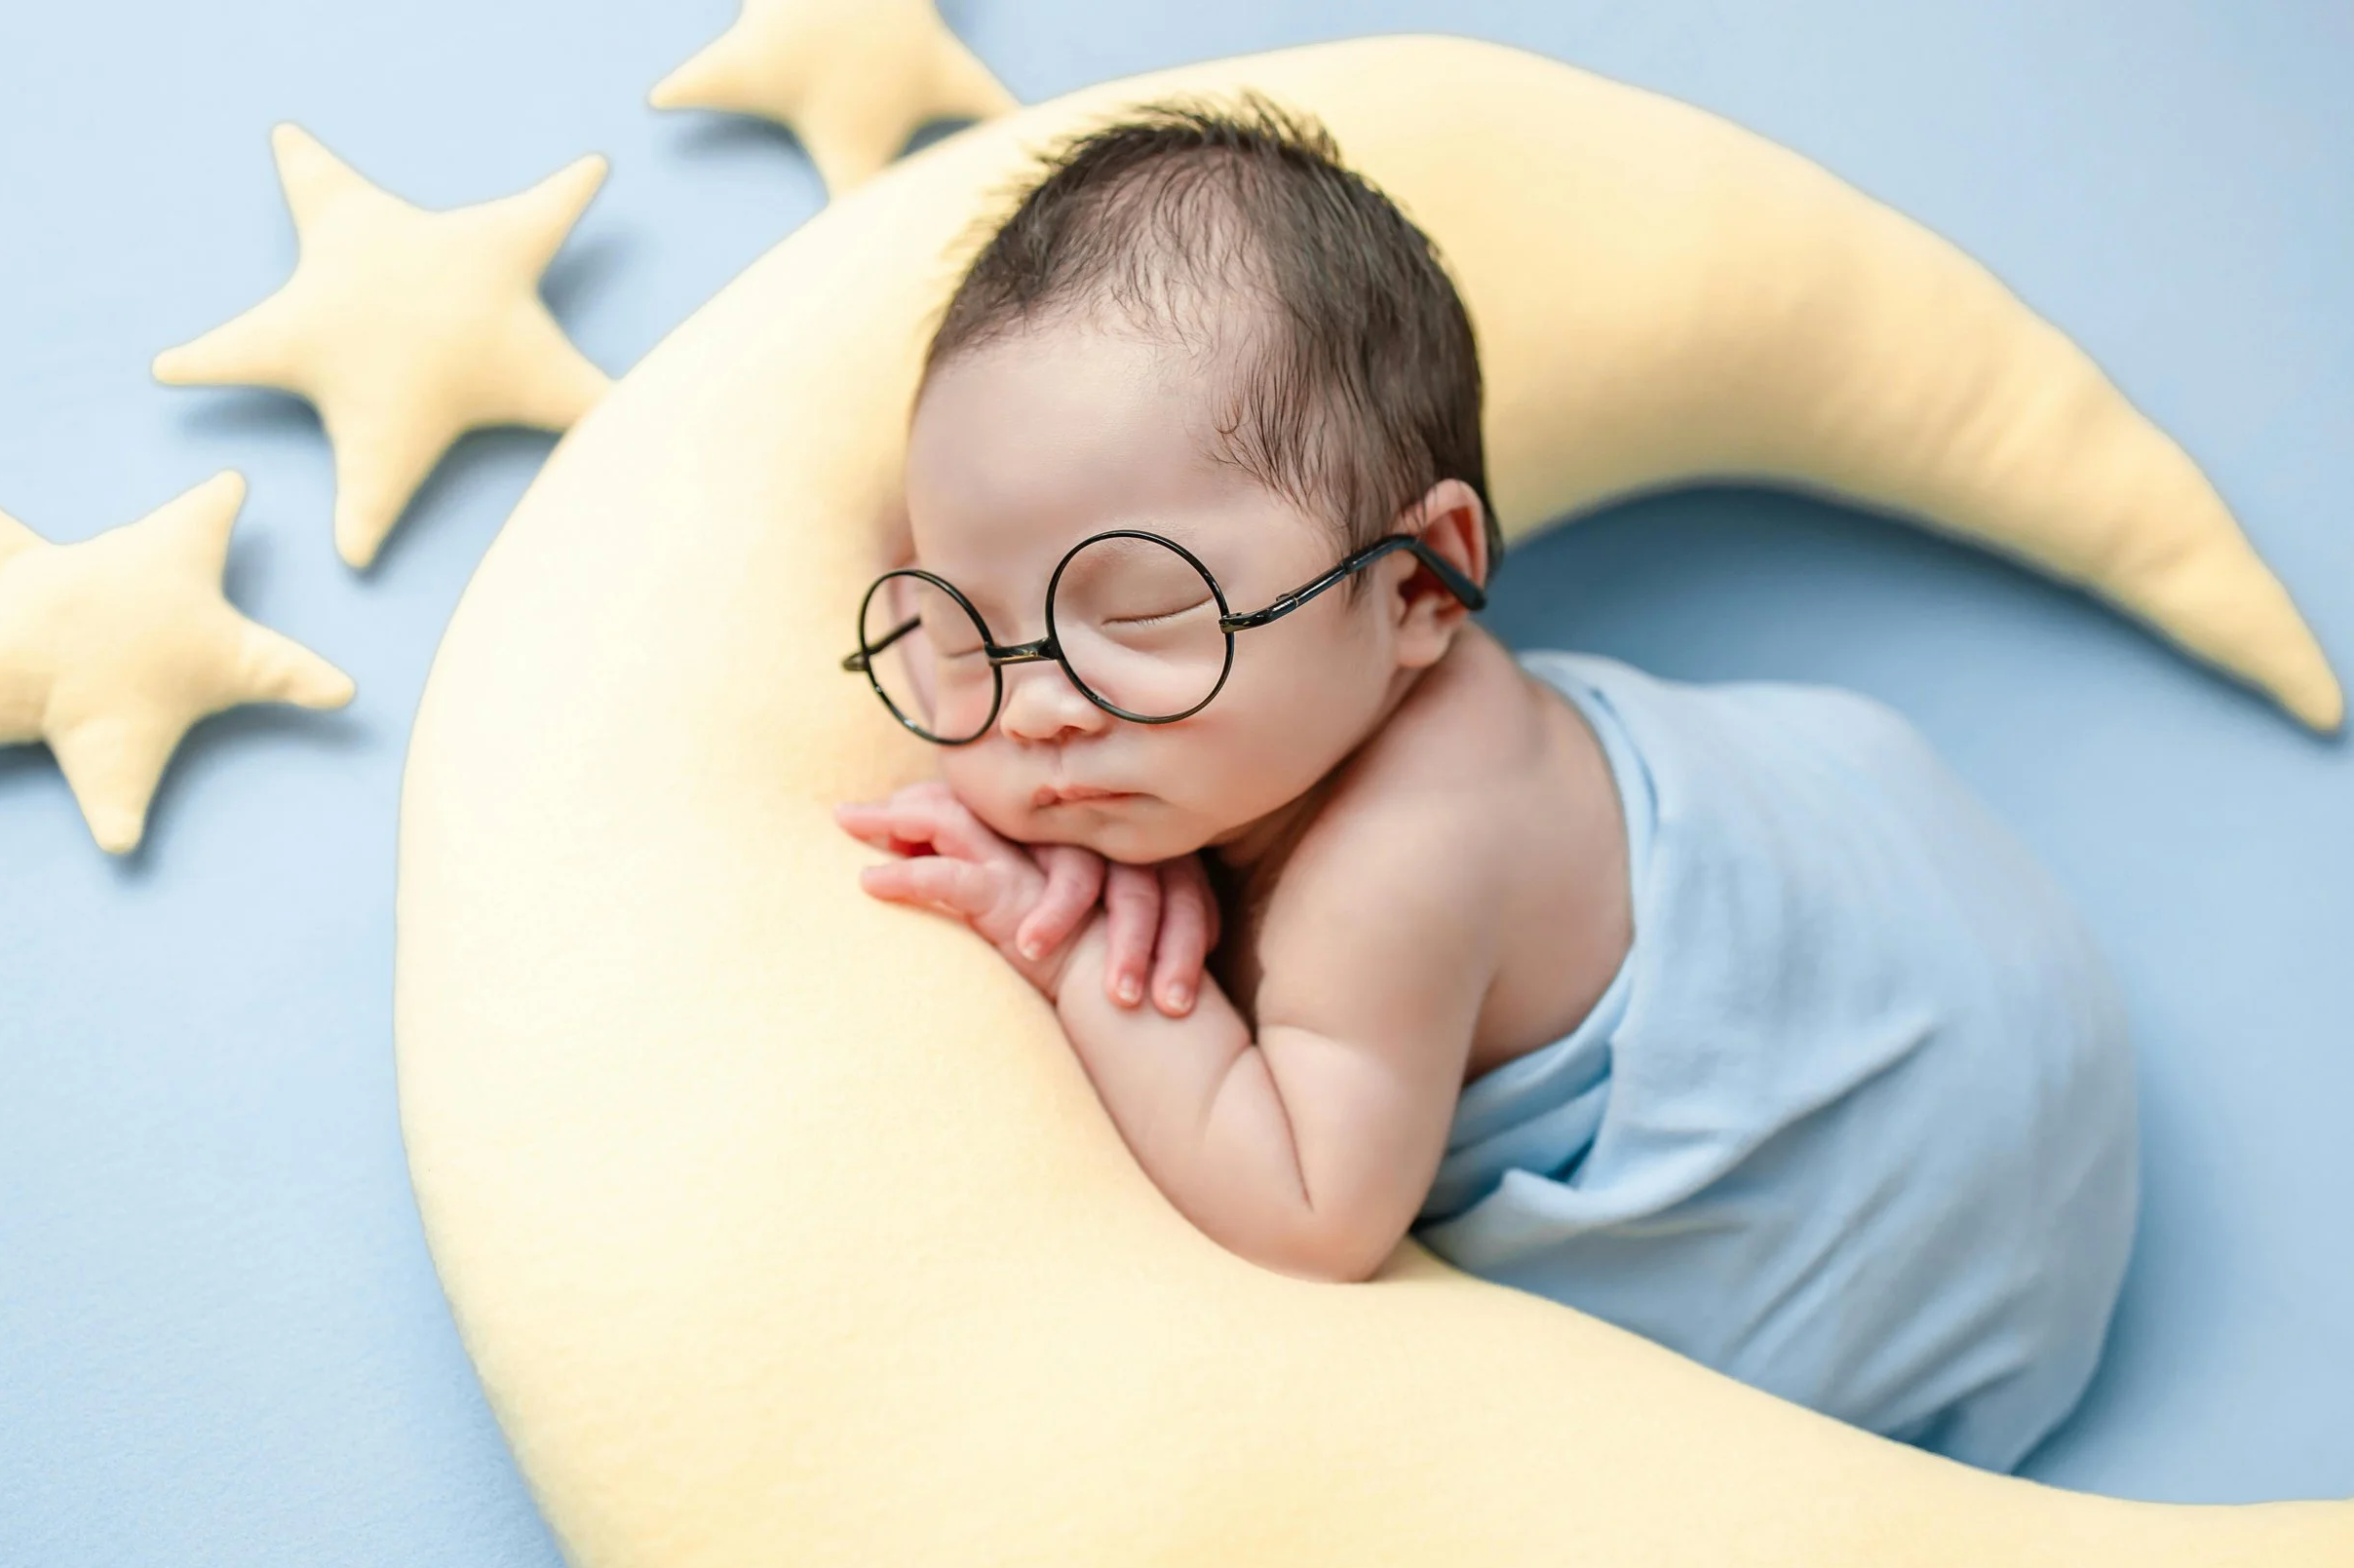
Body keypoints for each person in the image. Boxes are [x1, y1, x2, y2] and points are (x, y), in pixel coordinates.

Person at [830, 94, 2138, 1473]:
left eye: (1149, 616)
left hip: (1927, 1173)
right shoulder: (1257, 733)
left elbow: (1310, 1209)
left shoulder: (1400, 860)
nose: (1031, 710)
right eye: (962, 628)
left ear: (1417, 585)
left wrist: (1090, 957)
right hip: (1914, 880)